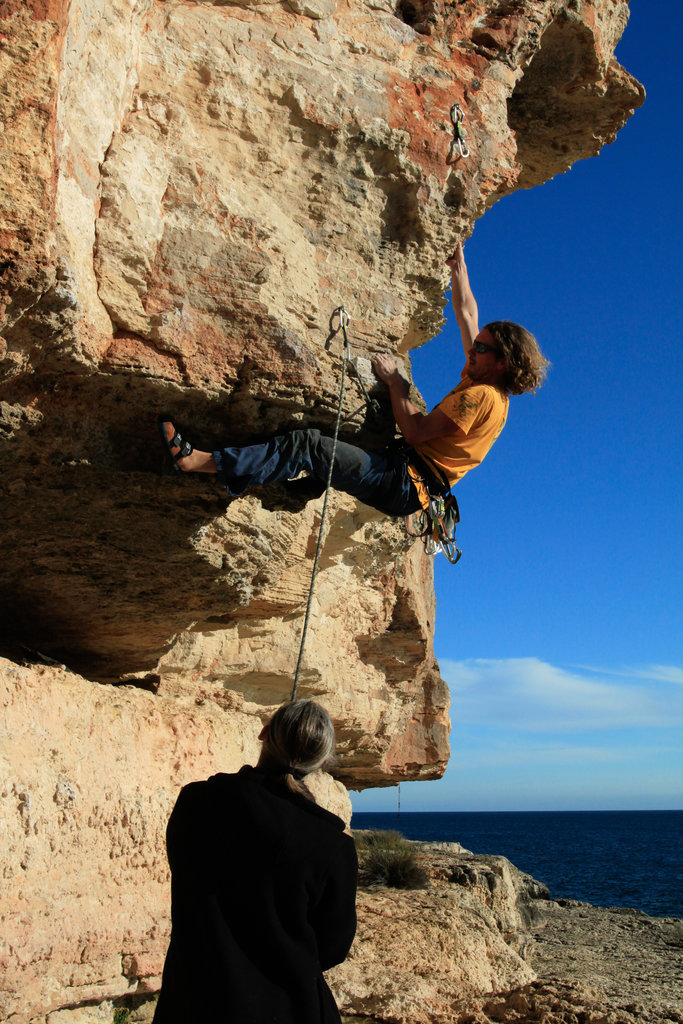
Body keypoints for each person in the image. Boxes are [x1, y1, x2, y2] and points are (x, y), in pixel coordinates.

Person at [160, 244, 549, 515]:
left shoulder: (480, 397)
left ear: (502, 363)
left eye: (481, 349)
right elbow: (467, 316)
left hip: (403, 482)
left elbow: (414, 431)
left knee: (309, 444)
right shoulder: (486, 382)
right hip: (405, 475)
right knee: (340, 443)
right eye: (476, 345)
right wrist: (459, 270)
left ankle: (201, 463)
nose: (471, 351)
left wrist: (397, 385)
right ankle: (293, 489)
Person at [153, 699, 357, 1024]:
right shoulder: (333, 846)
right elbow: (331, 948)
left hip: (192, 1005)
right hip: (290, 1009)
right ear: (323, 761)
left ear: (263, 734)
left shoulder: (194, 803)